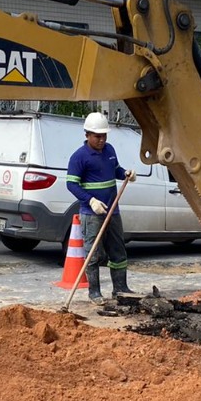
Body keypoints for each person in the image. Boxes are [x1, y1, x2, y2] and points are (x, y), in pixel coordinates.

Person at [67, 112, 136, 305]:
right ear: (87, 135)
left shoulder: (109, 150)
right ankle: (94, 292)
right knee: (93, 253)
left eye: (104, 135)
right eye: (98, 136)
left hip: (113, 210)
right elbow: (71, 184)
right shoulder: (79, 157)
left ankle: (120, 288)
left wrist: (125, 174)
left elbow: (116, 169)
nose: (102, 140)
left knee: (118, 251)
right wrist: (91, 201)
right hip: (92, 214)